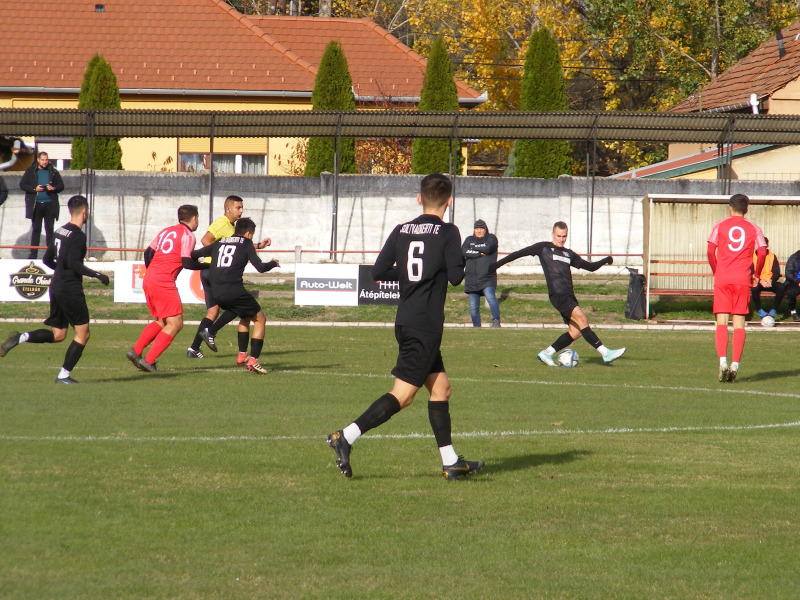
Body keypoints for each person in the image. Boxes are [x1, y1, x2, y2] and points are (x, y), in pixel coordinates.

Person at [327, 173, 484, 480]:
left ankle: (451, 461)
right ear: (449, 201)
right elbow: (455, 277)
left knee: (441, 389)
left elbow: (379, 270)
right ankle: (346, 436)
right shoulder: (449, 231)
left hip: (406, 319)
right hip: (425, 325)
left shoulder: (402, 229)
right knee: (404, 395)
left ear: (418, 198)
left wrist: (414, 275)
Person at [0, 195, 109, 383]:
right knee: (83, 334)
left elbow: (46, 260)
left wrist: (60, 270)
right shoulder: (78, 236)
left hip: (56, 286)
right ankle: (63, 376)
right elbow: (74, 263)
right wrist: (97, 274)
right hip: (70, 289)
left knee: (58, 334)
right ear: (85, 211)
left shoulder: (59, 231)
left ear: (69, 211)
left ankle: (21, 337)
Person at [489, 221, 626, 366]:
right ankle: (605, 352)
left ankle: (546, 353)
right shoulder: (544, 248)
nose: (561, 239)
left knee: (576, 332)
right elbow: (518, 254)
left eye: (564, 236)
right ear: (553, 234)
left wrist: (606, 260)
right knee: (583, 320)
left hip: (569, 295)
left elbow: (590, 267)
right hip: (558, 295)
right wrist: (496, 265)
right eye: (559, 236)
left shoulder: (568, 254)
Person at [186, 195, 271, 358]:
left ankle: (194, 348)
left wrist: (259, 245)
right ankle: (210, 334)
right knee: (235, 304)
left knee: (213, 312)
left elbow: (237, 245)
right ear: (228, 209)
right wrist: (218, 257)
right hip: (215, 271)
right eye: (238, 208)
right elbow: (206, 240)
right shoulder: (221, 223)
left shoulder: (233, 227)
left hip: (216, 272)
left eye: (241, 207)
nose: (241, 211)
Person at [190, 218, 279, 373]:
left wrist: (200, 264)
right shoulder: (246, 243)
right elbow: (260, 267)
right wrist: (273, 263)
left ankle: (241, 354)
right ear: (249, 234)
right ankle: (253, 360)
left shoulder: (220, 242)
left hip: (216, 291)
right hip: (234, 289)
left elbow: (195, 254)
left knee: (243, 314)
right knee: (260, 319)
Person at [126, 205, 203, 372]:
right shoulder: (188, 235)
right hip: (163, 281)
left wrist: (153, 271)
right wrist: (206, 266)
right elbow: (186, 262)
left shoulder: (166, 231)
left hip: (150, 278)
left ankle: (136, 351)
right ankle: (149, 360)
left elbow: (148, 253)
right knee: (176, 323)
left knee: (163, 320)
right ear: (194, 218)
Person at [707, 193, 767, 382]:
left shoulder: (720, 225)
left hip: (723, 278)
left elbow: (710, 250)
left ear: (729, 208)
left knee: (722, 321)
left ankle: (722, 362)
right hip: (742, 279)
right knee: (739, 323)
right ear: (747, 210)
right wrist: (756, 274)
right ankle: (735, 365)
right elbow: (763, 252)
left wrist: (717, 271)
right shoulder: (754, 228)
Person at [19, 152, 65, 259]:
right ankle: (33, 255)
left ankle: (50, 255)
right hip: (36, 205)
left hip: (50, 205)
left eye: (46, 160)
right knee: (36, 230)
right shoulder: (31, 171)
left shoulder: (53, 171)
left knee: (49, 230)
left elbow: (61, 186)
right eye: (43, 160)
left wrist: (53, 188)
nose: (45, 162)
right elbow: (22, 185)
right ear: (38, 160)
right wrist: (35, 189)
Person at [462, 219, 501, 327]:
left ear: (485, 229)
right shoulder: (468, 239)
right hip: (471, 279)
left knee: (490, 297)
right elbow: (464, 251)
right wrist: (479, 253)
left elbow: (487, 248)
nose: (478, 231)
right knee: (473, 307)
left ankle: (496, 321)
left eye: (481, 228)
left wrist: (472, 248)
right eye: (476, 228)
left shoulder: (491, 238)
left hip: (487, 277)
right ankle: (476, 327)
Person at [750, 237, 784, 320]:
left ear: (767, 246)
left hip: (769, 281)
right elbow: (750, 271)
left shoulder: (772, 256)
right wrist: (759, 280)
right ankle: (760, 310)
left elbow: (776, 272)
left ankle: (773, 310)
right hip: (758, 281)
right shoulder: (751, 256)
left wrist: (771, 281)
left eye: (763, 246)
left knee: (781, 287)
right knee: (754, 289)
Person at [782, 246, 800, 322]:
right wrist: (798, 281)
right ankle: (793, 311)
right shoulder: (793, 258)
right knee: (792, 292)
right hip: (794, 281)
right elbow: (788, 273)